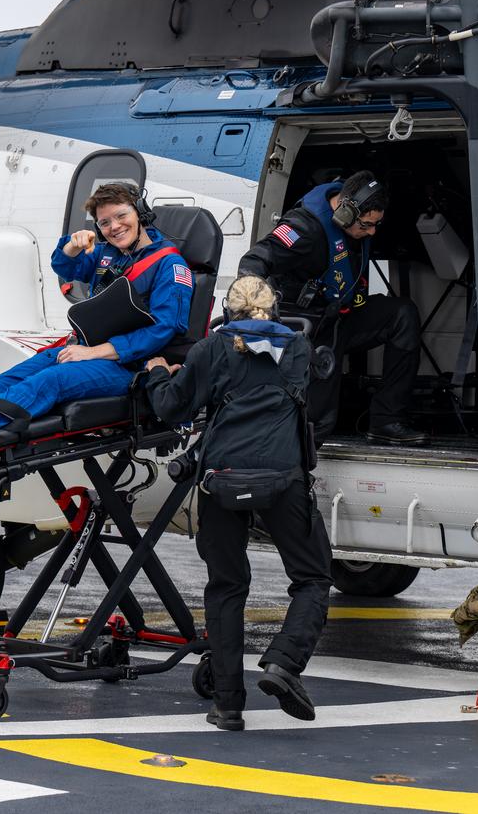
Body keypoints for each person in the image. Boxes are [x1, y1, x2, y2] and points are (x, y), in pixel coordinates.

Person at [144, 276, 332, 731]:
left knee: (226, 587)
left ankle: (227, 706)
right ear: (275, 309)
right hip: (283, 480)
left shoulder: (210, 349)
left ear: (228, 313)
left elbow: (171, 408)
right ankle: (284, 662)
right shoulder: (300, 349)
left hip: (221, 482)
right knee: (313, 577)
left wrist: (156, 372)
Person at [0, 182, 193, 439]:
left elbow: (163, 328)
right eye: (104, 223)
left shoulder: (169, 265)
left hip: (132, 367)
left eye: (121, 215)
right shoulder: (108, 254)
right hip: (90, 351)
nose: (114, 227)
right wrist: (73, 245)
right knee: (18, 374)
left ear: (140, 211)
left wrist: (93, 352)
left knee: (51, 380)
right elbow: (65, 267)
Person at [238, 170, 426, 445]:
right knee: (318, 419)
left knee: (402, 315)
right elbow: (254, 261)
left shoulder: (356, 219)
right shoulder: (304, 228)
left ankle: (387, 420)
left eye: (376, 224)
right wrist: (254, 315)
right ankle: (294, 470)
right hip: (307, 325)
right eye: (366, 225)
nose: (372, 232)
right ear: (345, 212)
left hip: (340, 314)